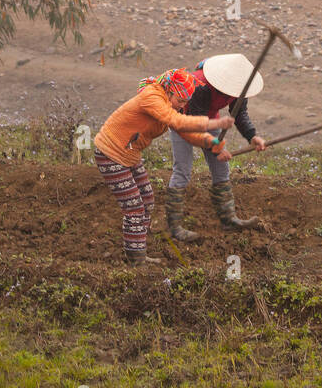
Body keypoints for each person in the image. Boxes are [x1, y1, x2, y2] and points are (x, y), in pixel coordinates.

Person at [93, 68, 234, 265]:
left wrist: (211, 143)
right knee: (134, 207)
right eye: (180, 100)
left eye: (186, 102)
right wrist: (213, 123)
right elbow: (175, 121)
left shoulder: (169, 105)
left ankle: (138, 247)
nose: (182, 106)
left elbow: (184, 132)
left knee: (147, 199)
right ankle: (136, 260)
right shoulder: (152, 96)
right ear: (169, 91)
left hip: (130, 153)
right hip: (111, 152)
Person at [165, 54, 267, 241]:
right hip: (183, 121)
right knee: (183, 171)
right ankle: (175, 226)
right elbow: (196, 126)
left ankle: (229, 219)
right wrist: (216, 148)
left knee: (221, 170)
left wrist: (252, 136)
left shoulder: (239, 88)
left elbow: (239, 113)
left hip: (209, 121)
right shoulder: (200, 85)